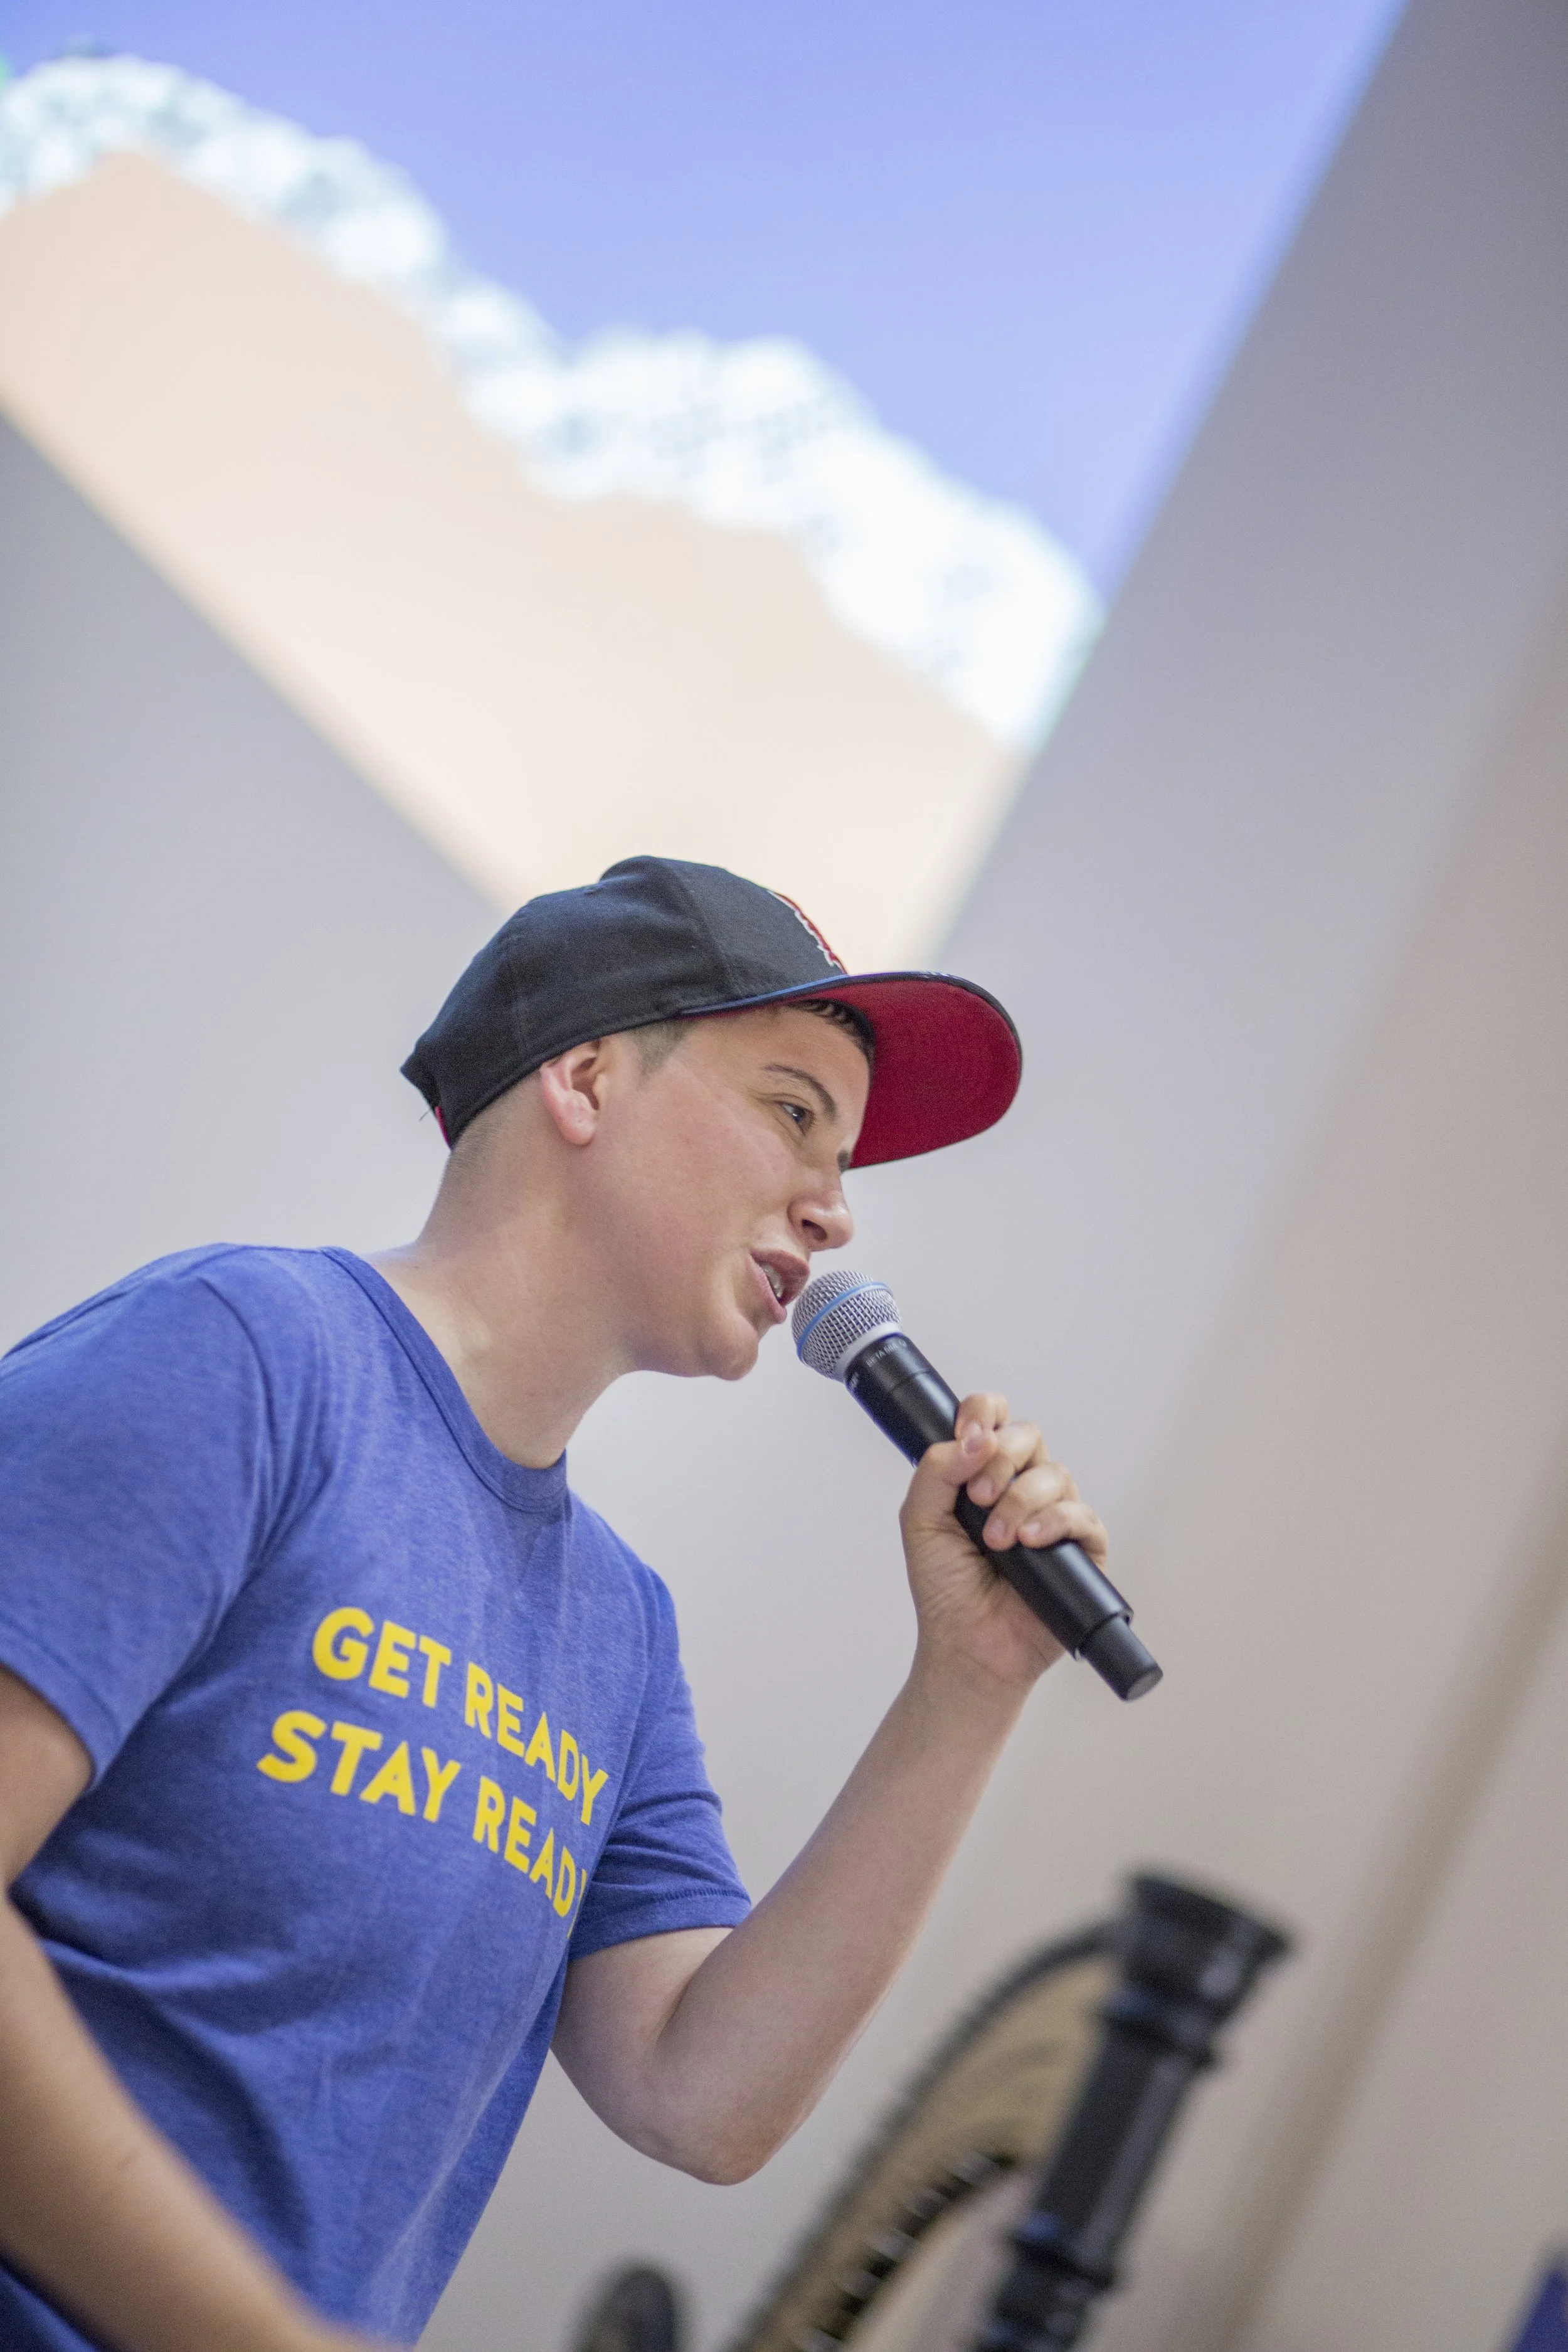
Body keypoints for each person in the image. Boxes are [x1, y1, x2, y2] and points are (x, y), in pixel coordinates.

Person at [0, 857, 1109, 2352]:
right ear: (584, 1077)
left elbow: (698, 2096)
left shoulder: (618, 1628)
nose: (835, 1211)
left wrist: (967, 1686)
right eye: (794, 1114)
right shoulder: (249, 1355)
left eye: (843, 1159)